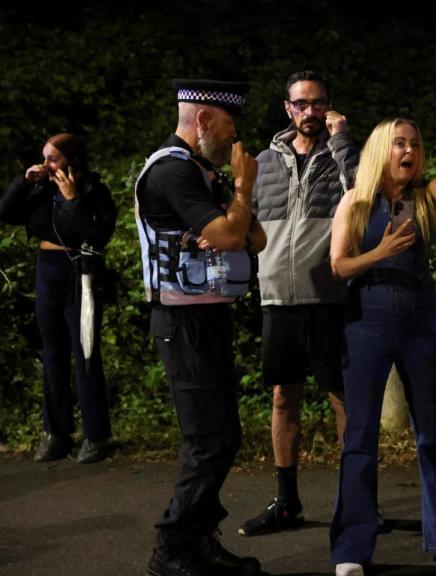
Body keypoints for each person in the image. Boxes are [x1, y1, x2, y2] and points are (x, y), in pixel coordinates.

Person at [327, 109, 436, 576]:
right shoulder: (355, 203)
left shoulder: (424, 198)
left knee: (432, 432)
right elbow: (339, 267)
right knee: (360, 437)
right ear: (382, 151)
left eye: (416, 144)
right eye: (401, 143)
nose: (410, 151)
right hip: (366, 320)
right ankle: (351, 548)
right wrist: (381, 251)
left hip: (419, 321)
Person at [134, 79, 267, 576]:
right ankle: (172, 548)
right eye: (230, 124)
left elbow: (254, 238)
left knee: (223, 435)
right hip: (182, 320)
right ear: (205, 119)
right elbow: (236, 231)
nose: (236, 137)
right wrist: (244, 187)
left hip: (207, 315)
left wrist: (235, 200)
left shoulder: (202, 171)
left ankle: (198, 540)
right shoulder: (171, 172)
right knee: (206, 439)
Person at [238, 70, 359, 537]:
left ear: (330, 106)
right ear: (287, 108)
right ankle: (287, 502)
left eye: (319, 103)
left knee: (342, 397)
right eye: (301, 104)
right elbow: (245, 219)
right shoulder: (264, 161)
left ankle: (355, 502)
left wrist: (342, 140)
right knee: (284, 397)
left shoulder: (344, 152)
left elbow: (361, 196)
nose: (311, 112)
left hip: (330, 298)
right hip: (277, 299)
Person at [0, 133, 116, 464]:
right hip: (48, 270)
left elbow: (90, 233)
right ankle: (56, 432)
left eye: (53, 159)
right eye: (44, 157)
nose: (46, 164)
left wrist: (71, 199)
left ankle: (95, 435)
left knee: (87, 351)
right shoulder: (41, 189)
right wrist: (24, 182)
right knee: (51, 353)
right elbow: (7, 213)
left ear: (71, 160)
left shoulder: (94, 190)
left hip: (82, 271)